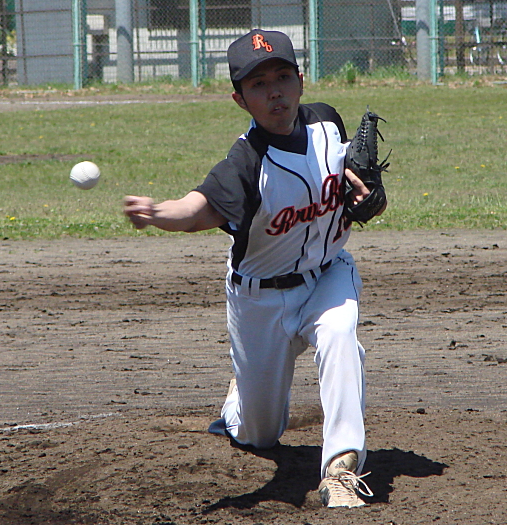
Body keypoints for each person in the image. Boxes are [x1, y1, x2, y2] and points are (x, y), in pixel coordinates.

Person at [123, 28, 385, 508]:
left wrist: (371, 199)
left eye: (282, 77)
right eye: (258, 85)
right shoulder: (245, 163)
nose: (274, 92)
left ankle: (341, 470)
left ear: (300, 81)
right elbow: (196, 210)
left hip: (328, 275)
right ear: (240, 100)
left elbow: (355, 186)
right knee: (259, 434)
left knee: (340, 334)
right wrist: (158, 212)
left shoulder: (328, 123)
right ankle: (238, 403)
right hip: (260, 300)